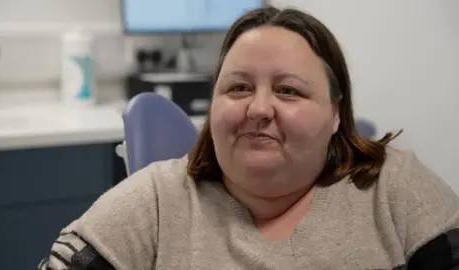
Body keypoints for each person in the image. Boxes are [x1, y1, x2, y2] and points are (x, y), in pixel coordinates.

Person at [38, 6, 459, 270]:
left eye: (288, 90)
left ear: (335, 114)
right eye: (238, 88)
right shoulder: (155, 201)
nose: (258, 109)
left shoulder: (395, 190)